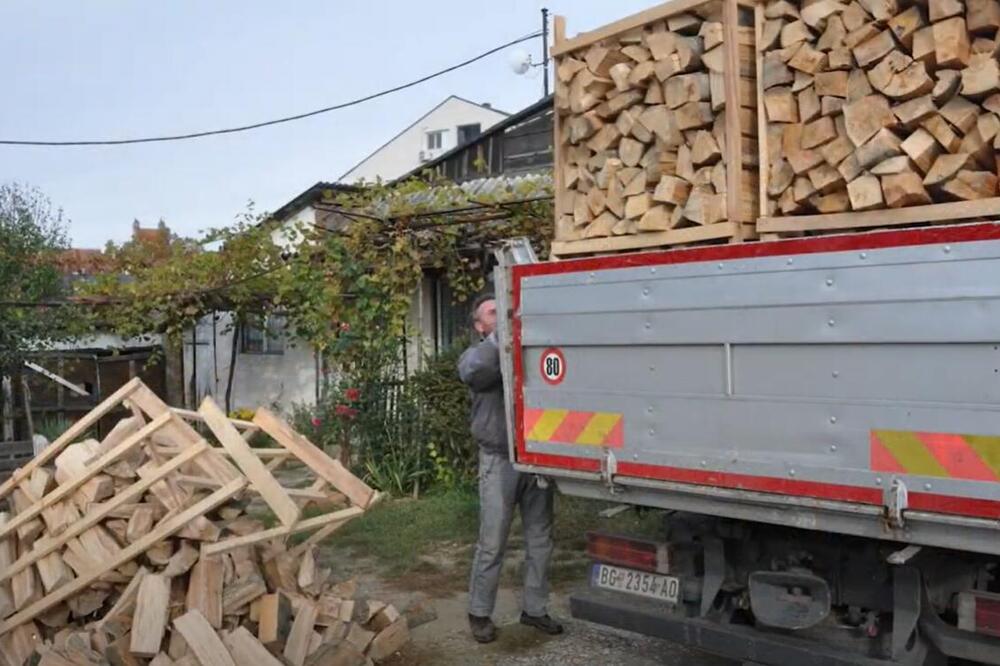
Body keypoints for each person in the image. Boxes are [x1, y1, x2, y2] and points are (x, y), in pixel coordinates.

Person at [458, 293, 564, 644]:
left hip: (535, 459)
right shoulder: (480, 355)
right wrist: (502, 337)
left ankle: (534, 609)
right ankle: (479, 613)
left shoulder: (527, 346)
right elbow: (473, 372)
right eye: (492, 311)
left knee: (540, 539)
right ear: (480, 325)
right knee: (493, 542)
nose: (499, 313)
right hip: (500, 460)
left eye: (502, 308)